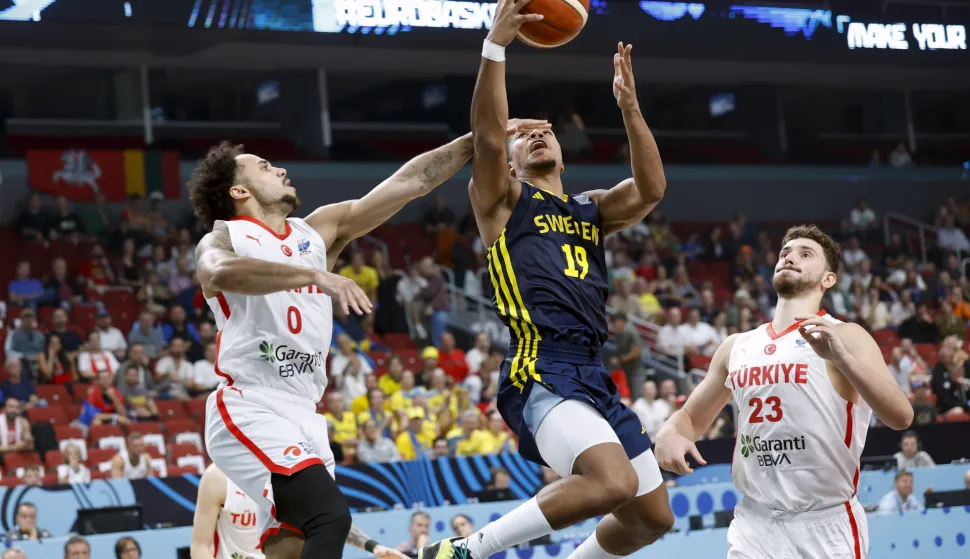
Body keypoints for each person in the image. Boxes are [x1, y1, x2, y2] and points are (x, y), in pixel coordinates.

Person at [421, 12, 670, 559]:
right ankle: (466, 550)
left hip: (592, 369)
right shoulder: (503, 201)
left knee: (652, 518)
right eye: (524, 136)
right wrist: (495, 46)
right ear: (510, 165)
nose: (536, 134)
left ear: (562, 150)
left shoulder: (590, 208)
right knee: (613, 483)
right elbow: (489, 141)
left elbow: (651, 188)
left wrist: (630, 109)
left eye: (545, 131)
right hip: (540, 367)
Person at [190, 130, 497, 559]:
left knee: (293, 544)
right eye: (264, 167)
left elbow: (410, 182)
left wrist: (478, 139)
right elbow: (217, 274)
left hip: (305, 410)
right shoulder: (225, 238)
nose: (280, 170)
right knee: (329, 517)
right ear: (239, 191)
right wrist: (314, 275)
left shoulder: (315, 233)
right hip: (251, 403)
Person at [655, 224, 914, 559]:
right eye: (785, 253)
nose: (790, 258)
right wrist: (669, 430)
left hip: (824, 522)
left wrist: (842, 359)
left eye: (805, 254)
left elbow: (901, 416)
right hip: (755, 523)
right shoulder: (737, 346)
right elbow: (690, 419)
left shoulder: (846, 335)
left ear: (828, 279)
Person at [190, 464, 409, 559]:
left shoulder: (291, 470)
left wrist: (374, 546)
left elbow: (325, 519)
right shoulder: (218, 477)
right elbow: (200, 546)